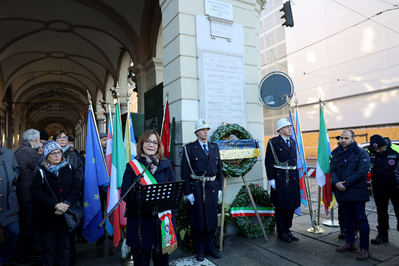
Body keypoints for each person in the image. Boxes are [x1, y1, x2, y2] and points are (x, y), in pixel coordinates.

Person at [121, 129, 177, 266]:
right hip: (141, 222)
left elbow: (174, 190)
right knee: (142, 261)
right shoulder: (132, 166)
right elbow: (125, 193)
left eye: (155, 142)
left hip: (162, 222)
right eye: (148, 141)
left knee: (162, 261)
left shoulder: (166, 164)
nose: (151, 145)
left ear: (159, 146)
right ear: (142, 143)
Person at [31, 141, 81, 266]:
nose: (57, 156)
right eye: (53, 154)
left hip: (65, 217)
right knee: (48, 249)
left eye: (59, 152)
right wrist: (55, 205)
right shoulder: (41, 172)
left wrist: (66, 204)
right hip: (48, 217)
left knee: (64, 248)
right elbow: (36, 193)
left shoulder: (69, 169)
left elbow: (76, 188)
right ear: (47, 156)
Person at [181, 119, 223, 262]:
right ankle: (200, 249)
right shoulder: (189, 149)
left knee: (211, 219)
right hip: (197, 189)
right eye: (203, 129)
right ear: (197, 132)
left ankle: (210, 247)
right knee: (198, 219)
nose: (206, 132)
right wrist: (188, 192)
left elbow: (219, 170)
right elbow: (185, 172)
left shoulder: (214, 147)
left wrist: (219, 187)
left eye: (207, 129)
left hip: (211, 188)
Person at [331, 130, 371, 260]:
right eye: (341, 138)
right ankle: (349, 243)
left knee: (361, 219)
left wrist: (345, 184)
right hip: (342, 192)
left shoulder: (361, 153)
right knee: (348, 219)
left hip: (356, 192)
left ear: (353, 139)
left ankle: (364, 248)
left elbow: (362, 171)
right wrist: (337, 183)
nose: (343, 140)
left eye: (346, 138)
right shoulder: (336, 152)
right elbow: (332, 170)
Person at [265, 118, 300, 243]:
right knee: (281, 206)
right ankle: (281, 231)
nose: (290, 129)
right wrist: (271, 179)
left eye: (290, 127)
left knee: (291, 205)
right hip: (280, 178)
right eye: (287, 127)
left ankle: (288, 229)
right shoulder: (273, 142)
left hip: (292, 177)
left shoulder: (293, 142)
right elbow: (268, 161)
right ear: (280, 129)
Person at [13, 129, 41, 263]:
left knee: (28, 225)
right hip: (28, 196)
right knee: (27, 226)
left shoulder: (20, 149)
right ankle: (21, 256)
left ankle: (30, 251)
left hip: (23, 194)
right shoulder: (29, 152)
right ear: (35, 139)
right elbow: (42, 167)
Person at [368, 134, 399, 245]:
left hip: (396, 189)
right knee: (381, 213)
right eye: (376, 149)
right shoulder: (370, 151)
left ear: (385, 144)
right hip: (379, 188)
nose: (379, 151)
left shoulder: (396, 150)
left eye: (380, 148)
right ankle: (382, 235)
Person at [0, 139, 20, 266]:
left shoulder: (9, 153)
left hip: (8, 203)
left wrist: (12, 178)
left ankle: (3, 258)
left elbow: (16, 170)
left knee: (14, 232)